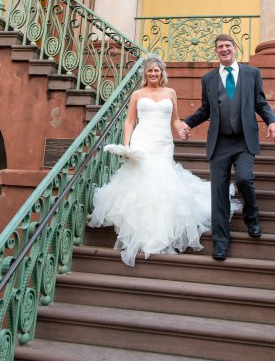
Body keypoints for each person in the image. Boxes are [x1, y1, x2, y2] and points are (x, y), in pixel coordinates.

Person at [88, 54, 240, 266]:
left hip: (163, 142)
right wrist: (127, 145)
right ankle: (142, 234)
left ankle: (160, 231)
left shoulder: (170, 92)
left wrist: (182, 129)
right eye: (149, 70)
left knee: (162, 183)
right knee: (142, 182)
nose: (153, 74)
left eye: (156, 70)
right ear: (145, 73)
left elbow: (175, 119)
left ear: (162, 73)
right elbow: (130, 121)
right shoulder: (137, 94)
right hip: (142, 140)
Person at [180, 34, 275, 262]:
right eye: (220, 47)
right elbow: (205, 109)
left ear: (235, 48)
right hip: (220, 142)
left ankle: (251, 218)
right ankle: (220, 244)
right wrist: (188, 123)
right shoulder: (208, 79)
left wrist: (272, 122)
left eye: (227, 45)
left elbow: (261, 103)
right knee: (219, 193)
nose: (224, 49)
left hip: (244, 140)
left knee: (244, 179)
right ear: (216, 51)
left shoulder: (252, 74)